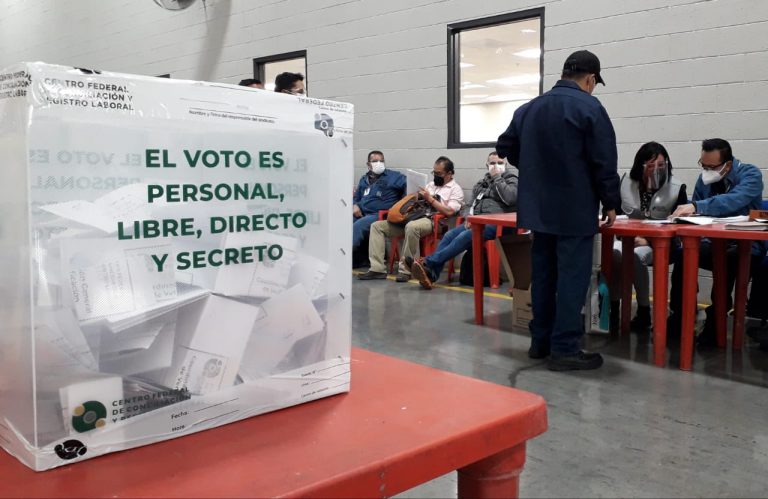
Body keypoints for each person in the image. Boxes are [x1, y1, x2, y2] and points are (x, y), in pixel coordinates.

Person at [495, 50, 620, 371]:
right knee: (572, 279)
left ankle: (541, 342)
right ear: (590, 79)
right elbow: (603, 161)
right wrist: (611, 202)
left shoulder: (528, 109)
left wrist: (534, 168)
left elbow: (505, 146)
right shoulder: (590, 108)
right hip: (575, 209)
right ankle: (564, 348)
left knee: (544, 274)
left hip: (538, 210)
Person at [667, 138, 764, 346]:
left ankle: (715, 322)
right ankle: (681, 315)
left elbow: (733, 200)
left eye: (712, 167)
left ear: (727, 164)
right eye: (703, 165)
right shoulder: (704, 180)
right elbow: (698, 215)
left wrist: (695, 206)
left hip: (745, 247)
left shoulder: (751, 175)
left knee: (726, 260)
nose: (707, 171)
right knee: (684, 255)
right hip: (713, 243)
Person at [608, 142, 687, 332]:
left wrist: (647, 239)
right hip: (627, 238)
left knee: (634, 257)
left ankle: (644, 310)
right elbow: (617, 216)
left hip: (660, 243)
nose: (656, 170)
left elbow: (682, 225)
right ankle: (613, 309)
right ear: (640, 165)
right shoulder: (626, 183)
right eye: (651, 165)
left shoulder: (676, 188)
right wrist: (628, 236)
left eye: (661, 165)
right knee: (614, 255)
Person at [410, 152, 518, 290]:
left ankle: (428, 263)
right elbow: (469, 205)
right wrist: (468, 217)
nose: (496, 166)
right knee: (449, 235)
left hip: (498, 224)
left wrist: (497, 177)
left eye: (500, 163)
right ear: (486, 165)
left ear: (506, 165)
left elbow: (510, 198)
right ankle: (431, 275)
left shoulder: (511, 179)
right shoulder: (482, 183)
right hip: (477, 222)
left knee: (464, 236)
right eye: (492, 163)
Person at [359, 156, 464, 282]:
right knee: (377, 226)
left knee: (412, 226)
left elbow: (450, 211)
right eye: (434, 173)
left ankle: (406, 270)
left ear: (449, 173)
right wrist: (416, 195)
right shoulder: (431, 185)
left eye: (439, 173)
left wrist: (430, 199)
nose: (436, 176)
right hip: (413, 216)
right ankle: (377, 269)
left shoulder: (455, 189)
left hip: (432, 221)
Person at [352, 150, 406, 251]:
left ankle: (342, 257)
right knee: (344, 222)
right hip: (362, 212)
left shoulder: (394, 177)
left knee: (358, 226)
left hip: (378, 214)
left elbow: (410, 185)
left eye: (381, 161)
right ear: (368, 164)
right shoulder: (364, 179)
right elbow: (356, 198)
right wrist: (354, 205)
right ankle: (354, 257)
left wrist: (402, 205)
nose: (379, 164)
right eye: (375, 161)